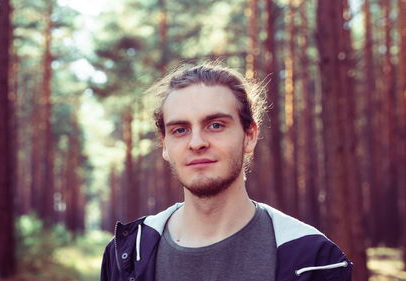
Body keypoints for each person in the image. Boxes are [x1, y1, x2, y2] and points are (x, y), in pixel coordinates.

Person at [100, 61, 352, 281]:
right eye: (180, 130)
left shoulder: (314, 258)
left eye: (216, 125)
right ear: (165, 145)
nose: (196, 142)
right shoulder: (127, 254)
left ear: (250, 136)